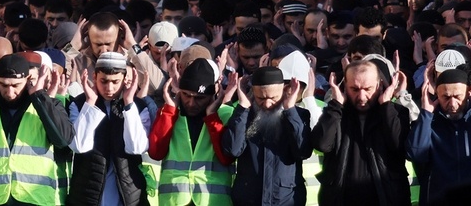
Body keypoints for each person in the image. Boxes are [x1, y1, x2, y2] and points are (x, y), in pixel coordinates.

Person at [0, 54, 74, 206]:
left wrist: (39, 97)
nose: (9, 92)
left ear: (28, 79)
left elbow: (63, 140)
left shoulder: (46, 104)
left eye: (16, 85)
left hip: (35, 198)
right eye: (3, 85)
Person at [310, 60, 411, 206]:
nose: (362, 97)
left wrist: (386, 106)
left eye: (368, 89)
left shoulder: (395, 112)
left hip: (387, 198)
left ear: (379, 85)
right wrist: (336, 106)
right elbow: (322, 144)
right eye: (354, 89)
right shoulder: (335, 113)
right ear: (345, 86)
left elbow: (399, 146)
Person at [406, 68, 471, 204]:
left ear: (469, 91)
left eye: (457, 97)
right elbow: (416, 154)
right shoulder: (429, 121)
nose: (452, 104)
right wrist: (426, 115)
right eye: (446, 97)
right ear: (436, 93)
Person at [148, 58, 236, 206]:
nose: (191, 103)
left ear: (214, 94)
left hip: (212, 201)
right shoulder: (169, 113)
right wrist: (169, 112)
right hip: (174, 200)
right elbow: (156, 153)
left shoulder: (226, 114)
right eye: (186, 95)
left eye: (199, 98)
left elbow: (226, 158)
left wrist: (212, 117)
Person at [67, 51, 151, 206]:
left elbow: (137, 147)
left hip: (128, 194)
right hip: (86, 194)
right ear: (94, 77)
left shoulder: (138, 107)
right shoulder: (78, 104)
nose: (109, 88)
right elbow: (78, 145)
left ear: (125, 79)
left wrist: (129, 103)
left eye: (115, 82)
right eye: (104, 81)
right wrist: (90, 103)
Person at [222, 66, 312, 206]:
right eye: (261, 98)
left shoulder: (297, 115)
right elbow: (233, 150)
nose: (267, 104)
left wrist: (290, 110)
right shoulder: (243, 115)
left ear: (284, 90)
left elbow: (302, 151)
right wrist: (243, 107)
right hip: (249, 200)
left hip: (285, 200)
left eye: (273, 98)